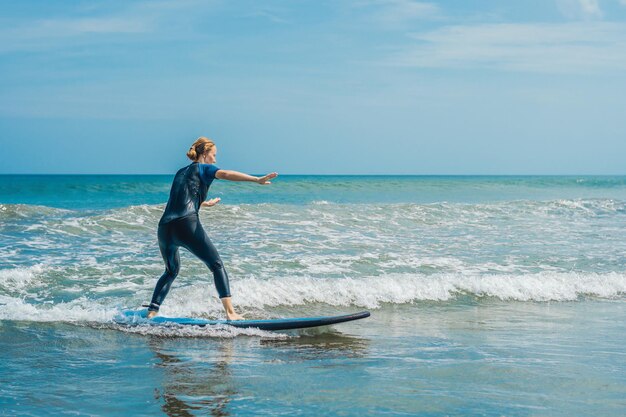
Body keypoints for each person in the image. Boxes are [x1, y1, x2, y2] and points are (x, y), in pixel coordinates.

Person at [147, 137, 277, 320]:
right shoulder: (204, 168)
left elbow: (180, 197)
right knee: (216, 265)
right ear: (204, 154)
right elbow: (225, 174)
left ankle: (151, 313)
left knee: (171, 271)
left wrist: (204, 203)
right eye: (213, 155)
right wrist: (257, 179)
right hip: (186, 224)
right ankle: (231, 313)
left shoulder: (180, 172)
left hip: (165, 228)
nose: (215, 159)